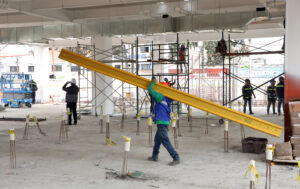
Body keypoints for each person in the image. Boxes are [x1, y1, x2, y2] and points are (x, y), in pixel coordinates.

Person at [147, 77, 180, 166]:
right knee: (157, 140)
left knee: (165, 141)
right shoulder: (167, 98)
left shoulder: (160, 96)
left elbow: (150, 89)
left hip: (162, 122)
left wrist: (153, 83)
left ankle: (176, 157)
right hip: (164, 121)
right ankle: (155, 156)